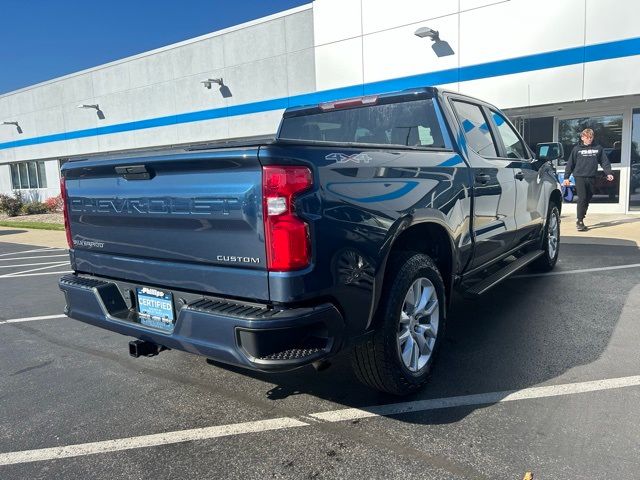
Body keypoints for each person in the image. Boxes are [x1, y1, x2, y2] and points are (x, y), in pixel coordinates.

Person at [563, 128, 614, 231]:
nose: (589, 139)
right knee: (582, 198)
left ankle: (582, 215)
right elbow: (570, 164)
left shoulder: (598, 148)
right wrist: (566, 177)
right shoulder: (576, 149)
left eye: (591, 137)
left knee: (588, 198)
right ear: (582, 138)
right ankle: (580, 221)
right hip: (579, 177)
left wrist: (608, 173)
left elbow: (604, 162)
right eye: (587, 137)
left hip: (592, 177)